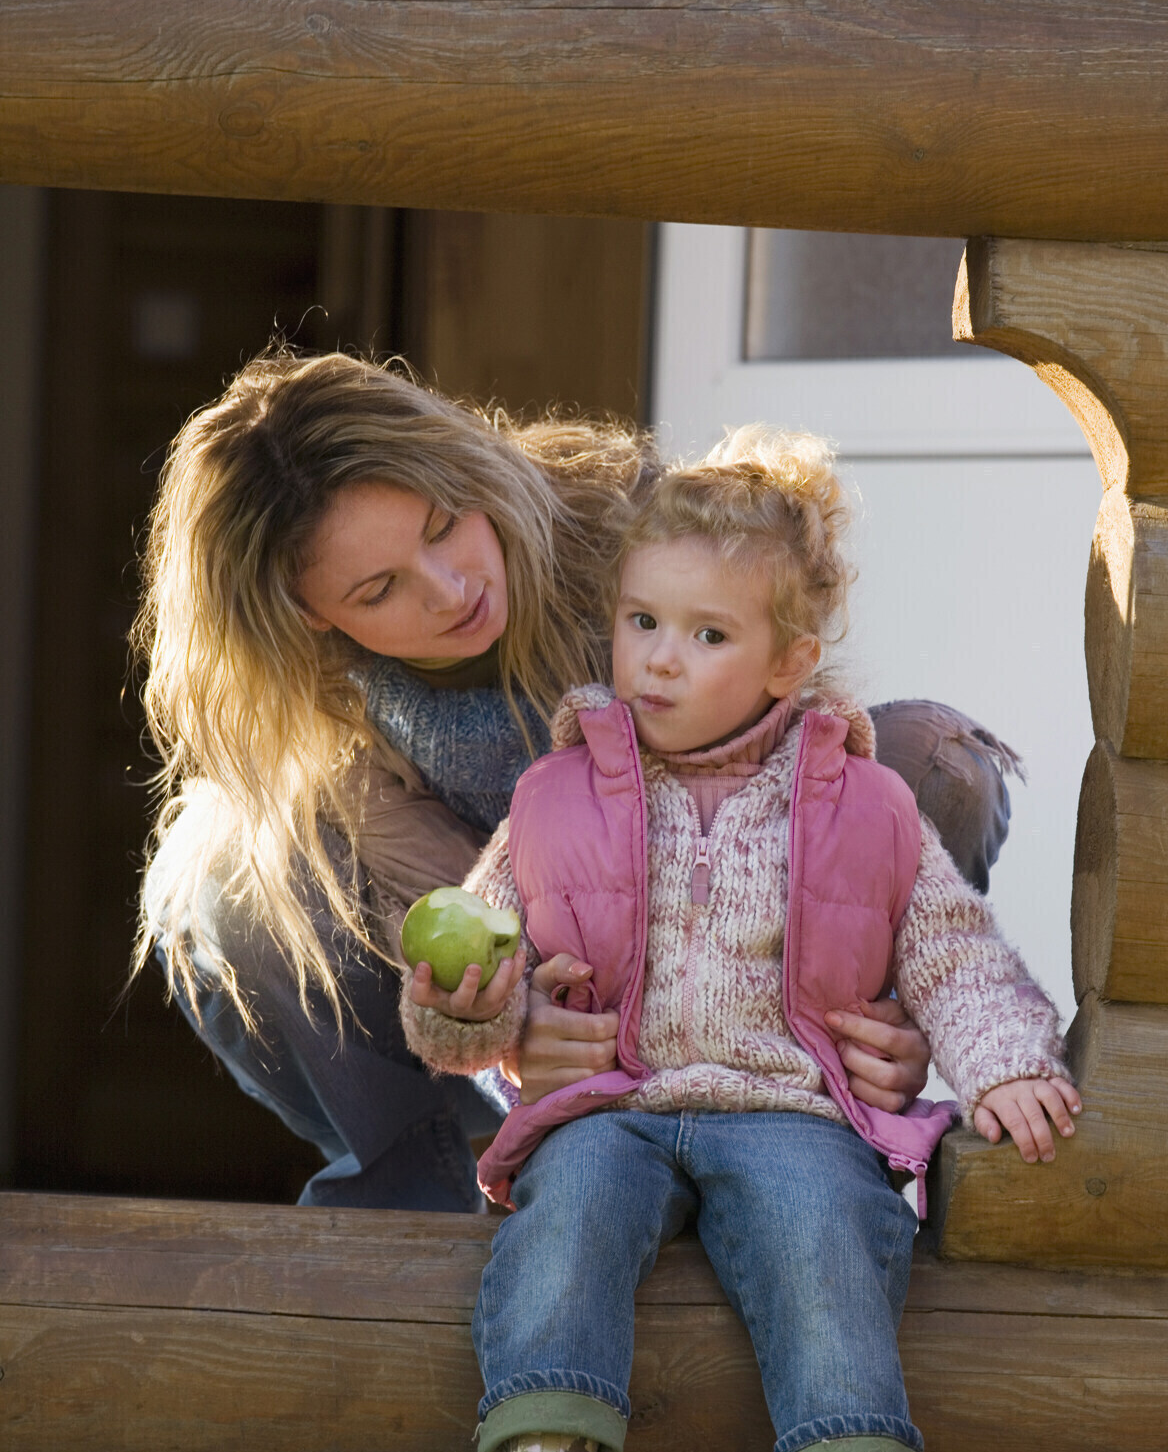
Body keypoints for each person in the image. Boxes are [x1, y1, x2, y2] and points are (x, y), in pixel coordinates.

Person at [401, 427, 1080, 1452]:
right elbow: (489, 957)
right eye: (642, 622)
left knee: (826, 1233)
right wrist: (466, 1009)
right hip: (613, 1100)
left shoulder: (864, 803)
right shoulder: (556, 791)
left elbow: (949, 950)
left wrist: (1007, 1063)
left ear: (789, 662)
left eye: (708, 637)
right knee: (571, 1218)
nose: (660, 661)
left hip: (785, 1103)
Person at [136, 349, 1016, 1211]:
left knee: (932, 760)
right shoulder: (334, 743)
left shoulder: (622, 524)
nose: (450, 590)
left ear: (464, 466)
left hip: (734, 944)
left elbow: (795, 792)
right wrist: (513, 1036)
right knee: (220, 880)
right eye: (380, 590)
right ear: (310, 617)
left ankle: (833, 1101)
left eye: (444, 525)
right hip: (543, 1003)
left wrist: (875, 1014)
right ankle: (423, 1197)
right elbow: (465, 935)